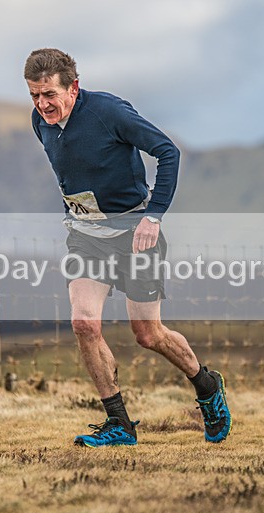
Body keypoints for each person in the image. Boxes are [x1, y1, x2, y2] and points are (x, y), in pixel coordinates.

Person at [24, 48, 231, 447]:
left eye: (49, 94)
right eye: (34, 95)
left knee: (148, 334)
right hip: (86, 236)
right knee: (84, 323)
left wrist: (154, 214)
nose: (42, 104)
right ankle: (120, 424)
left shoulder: (108, 112)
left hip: (136, 234)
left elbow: (167, 152)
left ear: (74, 87)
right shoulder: (40, 121)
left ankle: (207, 387)